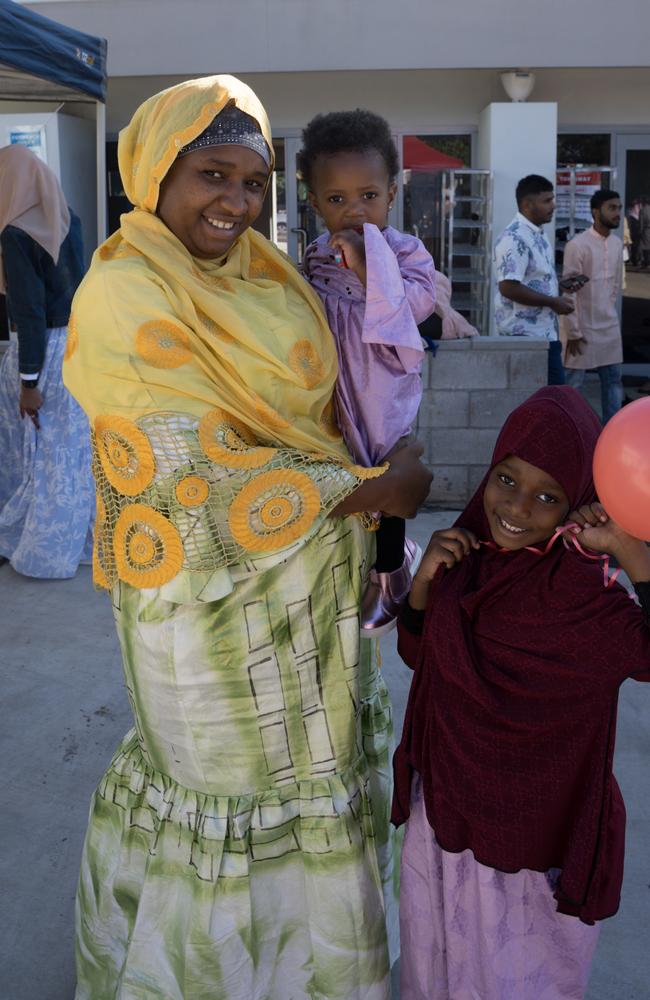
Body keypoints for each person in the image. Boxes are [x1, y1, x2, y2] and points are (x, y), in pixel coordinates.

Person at [63, 75, 432, 1000]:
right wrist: (371, 491)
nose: (235, 202)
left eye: (254, 180)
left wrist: (373, 463)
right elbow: (185, 472)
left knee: (311, 790)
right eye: (211, 174)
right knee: (224, 802)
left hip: (311, 600)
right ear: (154, 174)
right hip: (204, 617)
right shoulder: (124, 289)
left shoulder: (268, 275)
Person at [391, 385, 650, 1000]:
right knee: (443, 969)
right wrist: (425, 581)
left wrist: (633, 555)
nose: (517, 507)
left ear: (579, 501)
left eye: (547, 496)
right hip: (446, 822)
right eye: (506, 479)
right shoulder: (466, 553)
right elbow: (419, 655)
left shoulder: (583, 595)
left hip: (529, 847)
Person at [299, 109, 436, 635]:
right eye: (337, 200)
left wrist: (370, 265)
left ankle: (391, 571)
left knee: (384, 471)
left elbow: (420, 303)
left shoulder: (404, 251)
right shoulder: (315, 253)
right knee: (343, 469)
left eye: (368, 196)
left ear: (392, 194)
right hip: (336, 383)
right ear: (314, 203)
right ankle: (363, 560)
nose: (355, 210)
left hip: (381, 381)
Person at [0, 143, 93, 578]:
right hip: (76, 347)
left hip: (39, 354)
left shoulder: (16, 234)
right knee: (67, 452)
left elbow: (29, 312)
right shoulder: (67, 217)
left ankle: (41, 549)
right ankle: (77, 539)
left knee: (35, 451)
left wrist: (28, 381)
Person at [494, 174, 575, 385]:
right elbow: (509, 288)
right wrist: (552, 301)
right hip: (524, 336)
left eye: (553, 199)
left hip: (545, 333)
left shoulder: (538, 234)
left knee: (550, 402)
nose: (553, 206)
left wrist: (560, 284)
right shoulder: (514, 238)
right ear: (528, 204)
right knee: (548, 401)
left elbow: (533, 278)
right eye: (547, 201)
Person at [563, 189, 625, 423]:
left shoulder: (618, 244)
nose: (617, 213)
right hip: (582, 328)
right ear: (595, 212)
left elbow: (614, 287)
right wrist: (574, 332)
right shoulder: (578, 245)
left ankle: (614, 433)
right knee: (573, 388)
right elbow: (569, 293)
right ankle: (574, 432)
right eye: (612, 208)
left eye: (619, 208)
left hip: (609, 327)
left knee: (613, 384)